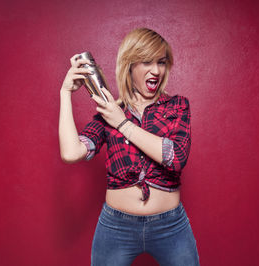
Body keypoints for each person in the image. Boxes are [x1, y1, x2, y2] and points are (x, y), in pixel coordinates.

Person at [58, 28, 200, 266]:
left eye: (162, 62)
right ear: (130, 65)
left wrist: (122, 123)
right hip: (116, 226)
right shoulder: (111, 111)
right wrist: (65, 94)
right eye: (146, 62)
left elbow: (175, 158)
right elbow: (71, 153)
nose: (156, 70)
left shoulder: (177, 106)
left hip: (170, 225)